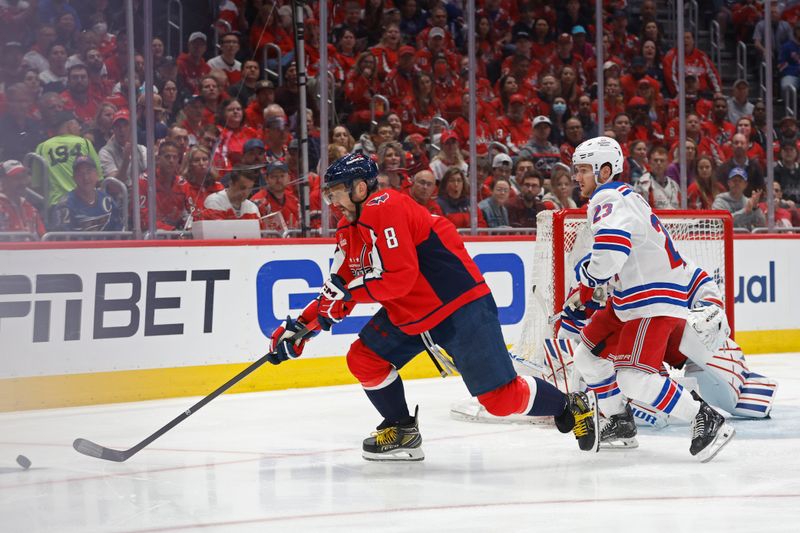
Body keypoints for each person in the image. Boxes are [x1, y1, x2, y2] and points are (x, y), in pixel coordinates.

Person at [266, 152, 599, 461]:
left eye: (336, 192)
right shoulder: (347, 228)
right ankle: (401, 428)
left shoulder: (385, 206)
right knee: (364, 358)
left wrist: (348, 295)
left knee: (500, 400)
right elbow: (339, 286)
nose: (332, 201)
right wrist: (301, 328)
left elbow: (399, 279)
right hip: (411, 313)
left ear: (360, 187)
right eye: (328, 195)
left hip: (459, 305)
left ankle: (569, 405)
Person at [564, 136, 735, 462]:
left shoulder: (607, 197)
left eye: (583, 169)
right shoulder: (629, 199)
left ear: (603, 171)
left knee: (634, 379)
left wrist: (589, 277)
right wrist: (589, 290)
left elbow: (611, 251)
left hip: (649, 300)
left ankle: (704, 415)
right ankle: (621, 421)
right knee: (586, 355)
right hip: (631, 299)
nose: (577, 177)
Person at [33, 111, 103, 206]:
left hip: (57, 203)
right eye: (78, 124)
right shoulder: (84, 143)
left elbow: (37, 185)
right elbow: (98, 177)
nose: (80, 128)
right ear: (70, 125)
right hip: (85, 202)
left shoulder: (42, 147)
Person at [51, 156, 122, 231]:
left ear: (97, 175)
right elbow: (62, 238)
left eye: (89, 171)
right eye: (80, 173)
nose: (86, 177)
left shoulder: (108, 201)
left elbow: (119, 231)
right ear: (74, 178)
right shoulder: (65, 205)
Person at [98, 110, 147, 186]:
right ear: (113, 129)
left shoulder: (142, 150)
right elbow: (113, 187)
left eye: (125, 125)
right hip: (119, 196)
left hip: (140, 193)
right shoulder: (105, 153)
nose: (122, 130)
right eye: (118, 126)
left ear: (132, 127)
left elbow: (149, 177)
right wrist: (126, 161)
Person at [0, 160, 45, 236]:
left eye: (23, 177)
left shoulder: (31, 208)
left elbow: (43, 238)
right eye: (16, 178)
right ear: (2, 181)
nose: (22, 182)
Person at [635, 145, 680, 210]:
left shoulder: (674, 185)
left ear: (667, 163)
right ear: (649, 162)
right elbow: (639, 209)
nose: (659, 163)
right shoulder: (643, 183)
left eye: (662, 161)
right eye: (656, 160)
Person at [775, 140, 800, 204]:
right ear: (781, 152)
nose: (788, 153)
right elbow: (774, 193)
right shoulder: (775, 170)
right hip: (782, 206)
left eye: (791, 150)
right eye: (785, 150)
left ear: (796, 152)